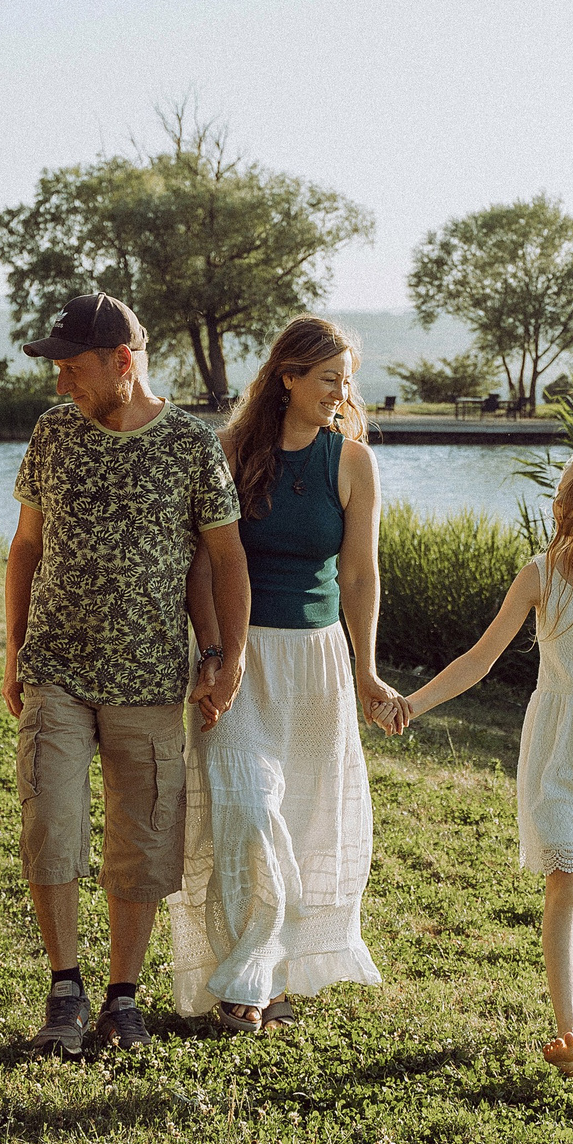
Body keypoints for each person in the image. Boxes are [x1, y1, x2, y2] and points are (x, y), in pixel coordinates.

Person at [7, 292, 251, 1054]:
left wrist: (228, 656)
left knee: (141, 840)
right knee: (51, 816)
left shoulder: (189, 442)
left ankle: (122, 995)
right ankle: (64, 989)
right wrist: (13, 648)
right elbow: (24, 547)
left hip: (149, 675)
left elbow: (224, 555)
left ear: (123, 361)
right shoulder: (53, 433)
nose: (61, 385)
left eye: (72, 368)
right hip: (56, 666)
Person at [392, 451, 573, 1076]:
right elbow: (480, 658)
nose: (557, 506)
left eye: (568, 495)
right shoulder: (540, 575)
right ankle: (567, 1031)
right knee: (566, 876)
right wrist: (414, 703)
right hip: (557, 746)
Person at [169, 317, 394, 1032]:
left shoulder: (352, 461)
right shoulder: (229, 452)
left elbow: (359, 574)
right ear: (288, 376)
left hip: (317, 663)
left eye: (347, 379)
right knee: (245, 811)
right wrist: (211, 654)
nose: (341, 391)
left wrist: (368, 669)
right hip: (240, 656)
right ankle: (248, 972)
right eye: (328, 376)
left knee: (298, 820)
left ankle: (262, 977)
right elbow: (201, 563)